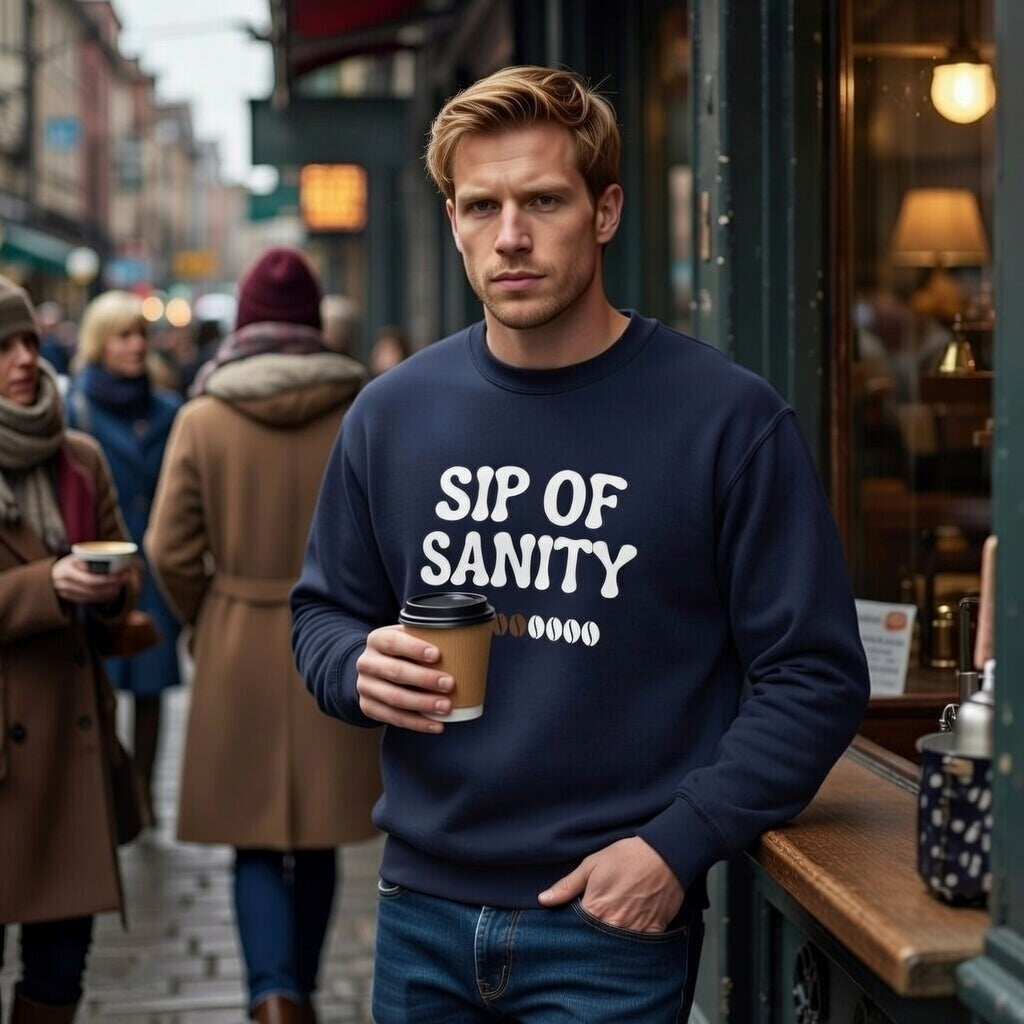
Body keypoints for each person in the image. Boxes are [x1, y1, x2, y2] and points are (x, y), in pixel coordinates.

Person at [291, 65, 870, 1024]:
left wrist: (677, 848)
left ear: (605, 212)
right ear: (452, 220)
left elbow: (814, 675)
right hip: (418, 914)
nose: (509, 235)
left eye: (544, 201)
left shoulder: (725, 419)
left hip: (608, 923)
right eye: (482, 206)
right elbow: (320, 611)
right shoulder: (392, 415)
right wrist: (352, 664)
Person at [144, 246, 382, 1024]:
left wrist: (207, 612)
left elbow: (169, 550)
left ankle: (270, 996)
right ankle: (302, 994)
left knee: (251, 836)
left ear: (243, 320)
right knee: (317, 836)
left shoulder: (203, 415)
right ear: (313, 321)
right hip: (337, 638)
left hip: (240, 636)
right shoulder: (364, 409)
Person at [0, 275, 140, 1021]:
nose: (24, 358)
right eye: (4, 345)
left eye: (27, 340)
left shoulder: (76, 454)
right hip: (2, 757)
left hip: (71, 750)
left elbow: (127, 568)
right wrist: (44, 586)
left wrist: (111, 585)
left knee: (59, 972)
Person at [66, 290, 183, 825]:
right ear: (98, 343)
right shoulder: (74, 406)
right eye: (123, 336)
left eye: (141, 334)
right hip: (97, 564)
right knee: (103, 679)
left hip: (152, 567)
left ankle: (141, 792)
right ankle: (105, 787)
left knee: (152, 680)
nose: (136, 345)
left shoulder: (168, 408)